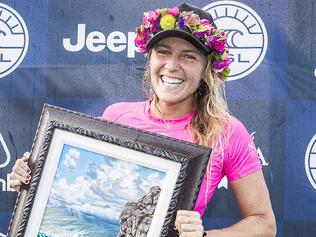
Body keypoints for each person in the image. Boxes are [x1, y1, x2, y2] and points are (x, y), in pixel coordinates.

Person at [10, 3, 276, 236]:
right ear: (149, 58)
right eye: (163, 51)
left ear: (206, 67)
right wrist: (34, 176)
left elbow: (264, 224)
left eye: (188, 56)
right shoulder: (116, 116)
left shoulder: (227, 132)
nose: (172, 65)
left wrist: (203, 236)